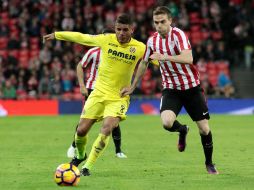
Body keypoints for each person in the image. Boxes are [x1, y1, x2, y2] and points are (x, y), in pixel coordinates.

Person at [43, 13, 149, 176]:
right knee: (81, 131)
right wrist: (57, 35)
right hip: (98, 94)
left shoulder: (140, 48)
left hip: (118, 97)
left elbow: (157, 60)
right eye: (118, 29)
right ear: (114, 29)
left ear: (132, 30)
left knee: (106, 129)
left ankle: (88, 167)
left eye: (125, 30)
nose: (121, 33)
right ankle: (80, 155)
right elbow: (81, 37)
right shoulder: (106, 39)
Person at [121, 6, 219, 175]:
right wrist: (132, 86)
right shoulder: (152, 41)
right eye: (156, 22)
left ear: (170, 21)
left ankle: (209, 163)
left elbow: (188, 58)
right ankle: (182, 130)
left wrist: (164, 56)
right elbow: (144, 63)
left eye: (162, 22)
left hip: (191, 88)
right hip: (171, 89)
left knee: (204, 129)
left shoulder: (179, 35)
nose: (159, 25)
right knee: (166, 123)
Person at [67, 33, 127, 159]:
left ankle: (118, 151)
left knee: (113, 121)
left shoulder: (117, 53)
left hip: (110, 90)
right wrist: (82, 86)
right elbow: (80, 65)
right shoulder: (93, 52)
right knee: (85, 121)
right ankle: (74, 146)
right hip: (92, 89)